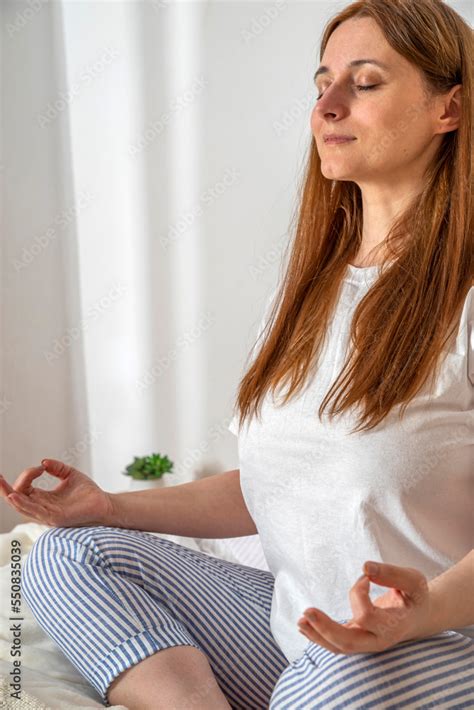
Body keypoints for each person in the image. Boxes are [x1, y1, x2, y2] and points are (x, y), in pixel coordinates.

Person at [1, 0, 473, 707]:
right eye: (321, 86)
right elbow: (269, 485)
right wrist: (112, 505)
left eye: (365, 83)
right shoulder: (308, 296)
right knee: (67, 555)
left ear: (451, 108)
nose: (328, 107)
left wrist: (424, 612)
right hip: (304, 636)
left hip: (443, 642)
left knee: (337, 683)